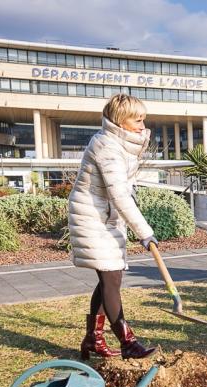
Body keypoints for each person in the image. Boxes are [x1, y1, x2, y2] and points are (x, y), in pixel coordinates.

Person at [68, 93, 158, 360]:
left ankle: (93, 340)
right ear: (120, 120)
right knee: (111, 277)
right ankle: (128, 342)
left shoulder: (119, 143)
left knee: (109, 277)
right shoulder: (107, 146)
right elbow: (118, 195)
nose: (142, 126)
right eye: (137, 120)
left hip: (104, 218)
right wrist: (145, 232)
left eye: (143, 120)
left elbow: (122, 190)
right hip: (92, 218)